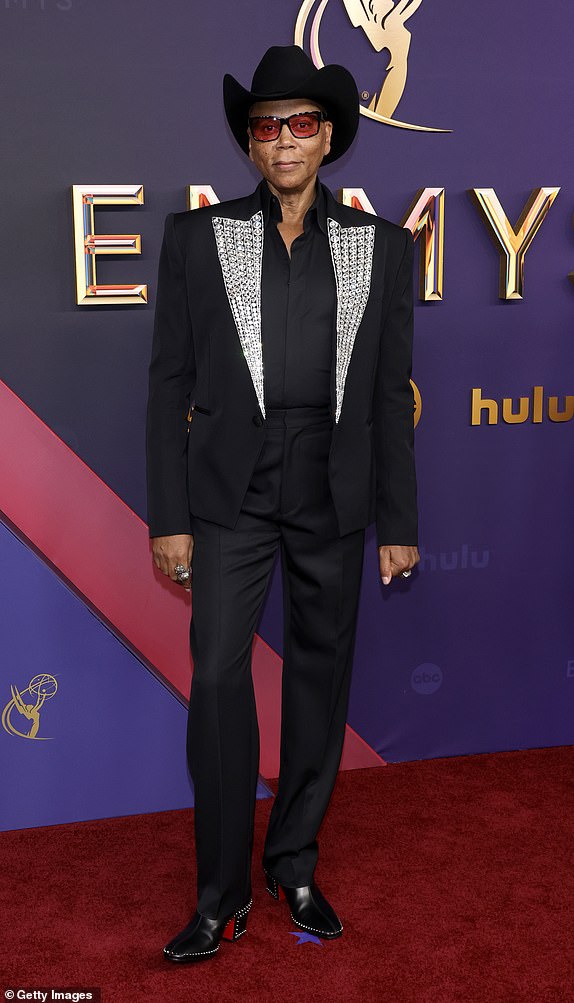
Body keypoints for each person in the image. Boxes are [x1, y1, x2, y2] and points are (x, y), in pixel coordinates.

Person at [146, 43, 419, 964]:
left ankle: (293, 861)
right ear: (251, 145)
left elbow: (390, 395)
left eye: (301, 122)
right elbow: (166, 385)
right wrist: (169, 515)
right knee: (219, 680)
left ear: (329, 137)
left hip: (333, 497)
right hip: (229, 499)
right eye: (267, 126)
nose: (284, 139)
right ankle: (220, 894)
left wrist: (400, 522)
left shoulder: (380, 247)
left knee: (317, 682)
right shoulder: (198, 239)